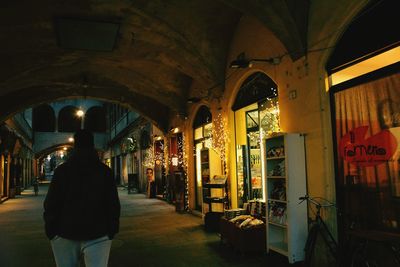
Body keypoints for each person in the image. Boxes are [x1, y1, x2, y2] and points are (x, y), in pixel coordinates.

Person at [43, 129, 120, 267]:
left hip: (64, 233)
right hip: (99, 233)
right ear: (93, 145)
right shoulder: (105, 171)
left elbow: (51, 203)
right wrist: (111, 229)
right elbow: (113, 204)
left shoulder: (62, 171)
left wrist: (51, 231)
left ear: (75, 146)